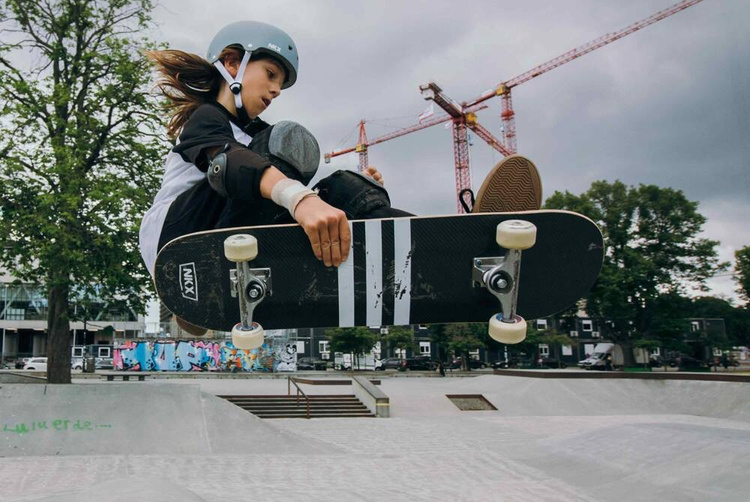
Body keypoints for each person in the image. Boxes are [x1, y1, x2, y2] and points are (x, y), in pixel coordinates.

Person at [140, 20, 543, 335]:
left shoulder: (256, 133)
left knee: (340, 185)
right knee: (284, 145)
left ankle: (460, 249)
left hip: (229, 231)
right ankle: (193, 280)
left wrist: (355, 194)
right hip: (175, 239)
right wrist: (301, 199)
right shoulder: (206, 119)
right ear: (232, 63)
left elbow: (306, 182)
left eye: (280, 83)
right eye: (271, 74)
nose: (276, 90)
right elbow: (227, 163)